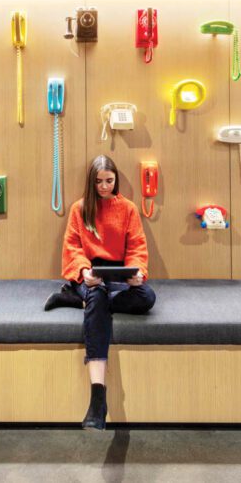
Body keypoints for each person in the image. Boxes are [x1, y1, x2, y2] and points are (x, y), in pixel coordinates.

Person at [58, 154, 156, 430]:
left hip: (119, 274)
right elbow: (73, 248)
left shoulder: (127, 209)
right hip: (91, 273)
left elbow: (137, 246)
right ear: (91, 182)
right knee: (98, 294)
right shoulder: (80, 209)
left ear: (116, 180)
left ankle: (76, 298)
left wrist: (137, 274)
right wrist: (84, 273)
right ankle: (98, 398)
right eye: (99, 181)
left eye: (109, 181)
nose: (104, 186)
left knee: (147, 297)